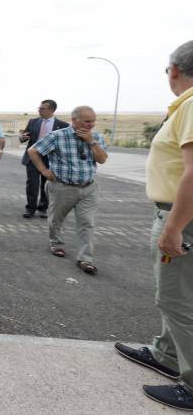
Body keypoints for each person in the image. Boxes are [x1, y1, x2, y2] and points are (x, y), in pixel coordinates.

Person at [114, 40, 193, 410]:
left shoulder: (191, 104)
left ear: (174, 70)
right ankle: (166, 355)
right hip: (179, 215)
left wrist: (173, 227)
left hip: (182, 218)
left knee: (175, 299)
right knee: (178, 294)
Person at [28, 105, 107, 275]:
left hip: (88, 188)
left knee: (87, 223)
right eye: (87, 121)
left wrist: (91, 141)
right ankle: (56, 243)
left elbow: (102, 159)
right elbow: (33, 150)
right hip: (62, 187)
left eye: (93, 121)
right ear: (74, 120)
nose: (91, 125)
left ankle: (85, 259)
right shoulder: (57, 136)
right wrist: (44, 170)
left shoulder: (96, 137)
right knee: (57, 219)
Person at [19, 100, 69, 218]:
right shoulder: (33, 122)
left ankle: (43, 208)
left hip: (50, 160)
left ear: (52, 110)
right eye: (39, 108)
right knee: (32, 184)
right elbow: (24, 137)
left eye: (42, 108)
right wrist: (22, 137)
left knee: (47, 185)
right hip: (32, 157)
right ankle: (30, 208)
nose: (39, 110)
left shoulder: (63, 125)